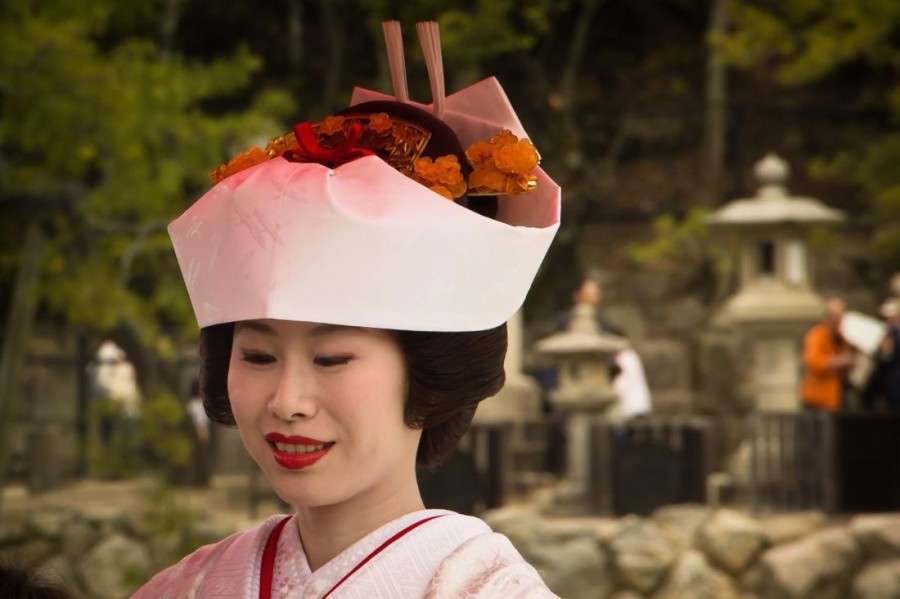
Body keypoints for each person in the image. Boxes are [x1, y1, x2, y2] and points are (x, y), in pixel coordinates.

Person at [134, 21, 560, 598]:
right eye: (257, 355)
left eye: (331, 357)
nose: (288, 401)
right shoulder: (186, 585)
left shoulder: (480, 587)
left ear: (429, 369)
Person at [801, 297, 854, 412]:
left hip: (836, 397)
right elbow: (813, 362)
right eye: (837, 318)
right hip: (817, 398)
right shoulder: (816, 335)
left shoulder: (842, 337)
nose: (840, 321)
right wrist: (838, 361)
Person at [862, 299, 900, 410]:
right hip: (885, 382)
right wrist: (884, 352)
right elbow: (880, 356)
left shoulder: (895, 335)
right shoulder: (884, 334)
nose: (887, 321)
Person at [186, 378, 212, 486]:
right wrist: (202, 434)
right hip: (198, 434)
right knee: (199, 459)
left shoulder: (202, 404)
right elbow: (198, 422)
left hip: (204, 432)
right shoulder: (193, 405)